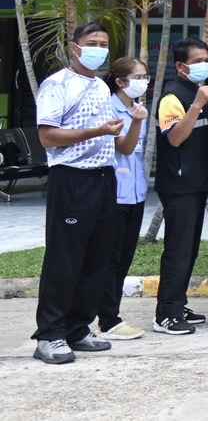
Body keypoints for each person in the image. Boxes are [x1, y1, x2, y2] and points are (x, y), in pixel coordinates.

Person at [31, 22, 122, 365]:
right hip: (71, 178)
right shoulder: (56, 84)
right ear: (75, 47)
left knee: (97, 257)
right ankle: (49, 334)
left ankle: (77, 327)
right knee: (65, 258)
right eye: (92, 42)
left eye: (104, 43)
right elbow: (47, 137)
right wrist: (96, 131)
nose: (99, 49)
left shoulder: (101, 86)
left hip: (104, 177)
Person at [153, 38, 208, 335]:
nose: (204, 65)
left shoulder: (197, 91)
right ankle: (165, 313)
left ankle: (179, 304)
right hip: (178, 184)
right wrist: (198, 105)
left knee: (189, 250)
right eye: (197, 61)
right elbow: (176, 138)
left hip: (198, 182)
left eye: (206, 59)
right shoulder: (172, 97)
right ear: (181, 66)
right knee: (177, 250)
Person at [98, 57, 150, 341]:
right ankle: (107, 319)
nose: (143, 82)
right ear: (120, 81)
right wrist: (138, 122)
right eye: (138, 77)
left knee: (124, 257)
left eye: (145, 76)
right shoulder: (110, 107)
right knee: (110, 258)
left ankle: (111, 315)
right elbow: (125, 148)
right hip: (115, 193)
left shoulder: (137, 108)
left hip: (135, 193)